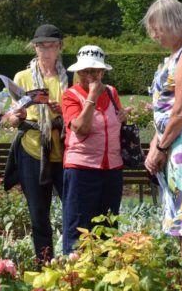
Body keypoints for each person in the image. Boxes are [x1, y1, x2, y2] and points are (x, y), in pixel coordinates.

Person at [143, 0, 182, 280]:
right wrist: (155, 145)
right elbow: (164, 110)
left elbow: (180, 111)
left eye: (158, 28)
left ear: (173, 22)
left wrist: (162, 146)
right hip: (175, 147)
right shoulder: (173, 56)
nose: (155, 35)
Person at [2, 24, 68, 264]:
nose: (45, 51)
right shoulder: (23, 77)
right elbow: (9, 117)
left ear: (60, 47)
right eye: (40, 46)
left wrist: (62, 112)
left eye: (50, 46)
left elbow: (79, 114)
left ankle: (75, 264)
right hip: (32, 149)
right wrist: (15, 116)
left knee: (72, 212)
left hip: (65, 151)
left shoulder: (70, 76)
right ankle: (44, 265)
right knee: (39, 215)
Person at [61, 45, 127, 254]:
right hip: (81, 169)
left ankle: (105, 277)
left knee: (108, 226)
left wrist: (123, 118)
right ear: (78, 72)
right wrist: (91, 98)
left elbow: (113, 123)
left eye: (95, 71)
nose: (89, 76)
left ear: (103, 72)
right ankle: (76, 277)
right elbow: (81, 128)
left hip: (112, 169)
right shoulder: (70, 95)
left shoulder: (112, 92)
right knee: (78, 226)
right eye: (84, 71)